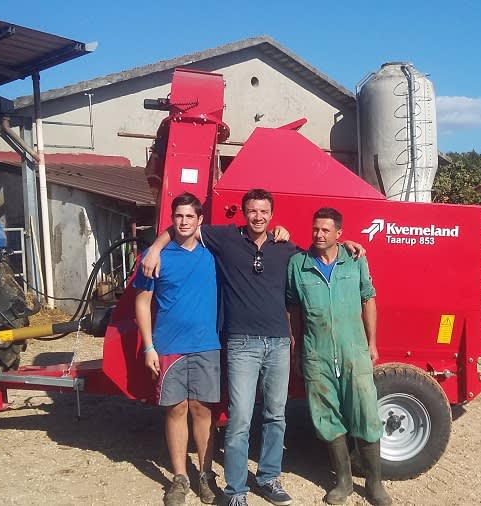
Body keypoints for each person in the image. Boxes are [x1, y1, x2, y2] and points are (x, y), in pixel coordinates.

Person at [141, 189, 364, 506]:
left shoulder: (284, 246)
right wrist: (155, 246)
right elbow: (183, 225)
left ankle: (268, 479)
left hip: (278, 343)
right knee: (240, 419)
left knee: (276, 416)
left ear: (272, 215)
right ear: (243, 213)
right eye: (251, 211)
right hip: (241, 343)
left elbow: (318, 253)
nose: (257, 217)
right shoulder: (227, 239)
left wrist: (346, 245)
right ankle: (235, 490)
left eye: (263, 212)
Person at [286, 208, 393, 506]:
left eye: (325, 230)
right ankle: (343, 482)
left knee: (366, 415)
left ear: (339, 234)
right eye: (315, 229)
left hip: (353, 352)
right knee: (327, 418)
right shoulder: (298, 265)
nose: (319, 235)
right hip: (316, 354)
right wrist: (297, 347)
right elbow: (293, 309)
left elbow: (368, 299)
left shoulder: (355, 260)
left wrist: (372, 343)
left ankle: (374, 485)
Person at [134, 192, 222, 506]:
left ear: (200, 221)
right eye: (178, 216)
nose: (183, 222)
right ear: (172, 220)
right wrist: (148, 347)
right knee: (176, 410)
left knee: (202, 410)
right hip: (169, 346)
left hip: (206, 346)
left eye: (189, 216)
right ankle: (180, 477)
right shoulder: (154, 257)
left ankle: (206, 475)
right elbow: (142, 302)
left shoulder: (213, 253)